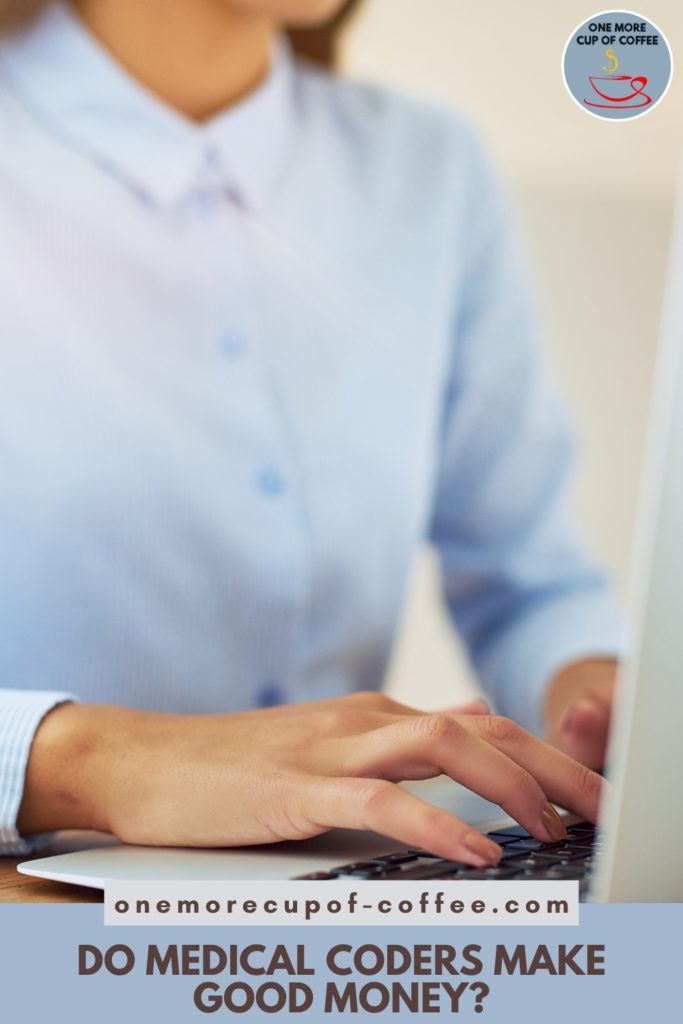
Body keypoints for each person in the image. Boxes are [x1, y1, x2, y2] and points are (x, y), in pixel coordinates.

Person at [0, 0, 624, 865]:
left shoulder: (428, 169)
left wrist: (594, 688)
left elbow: (528, 578)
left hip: (341, 894)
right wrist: (93, 762)